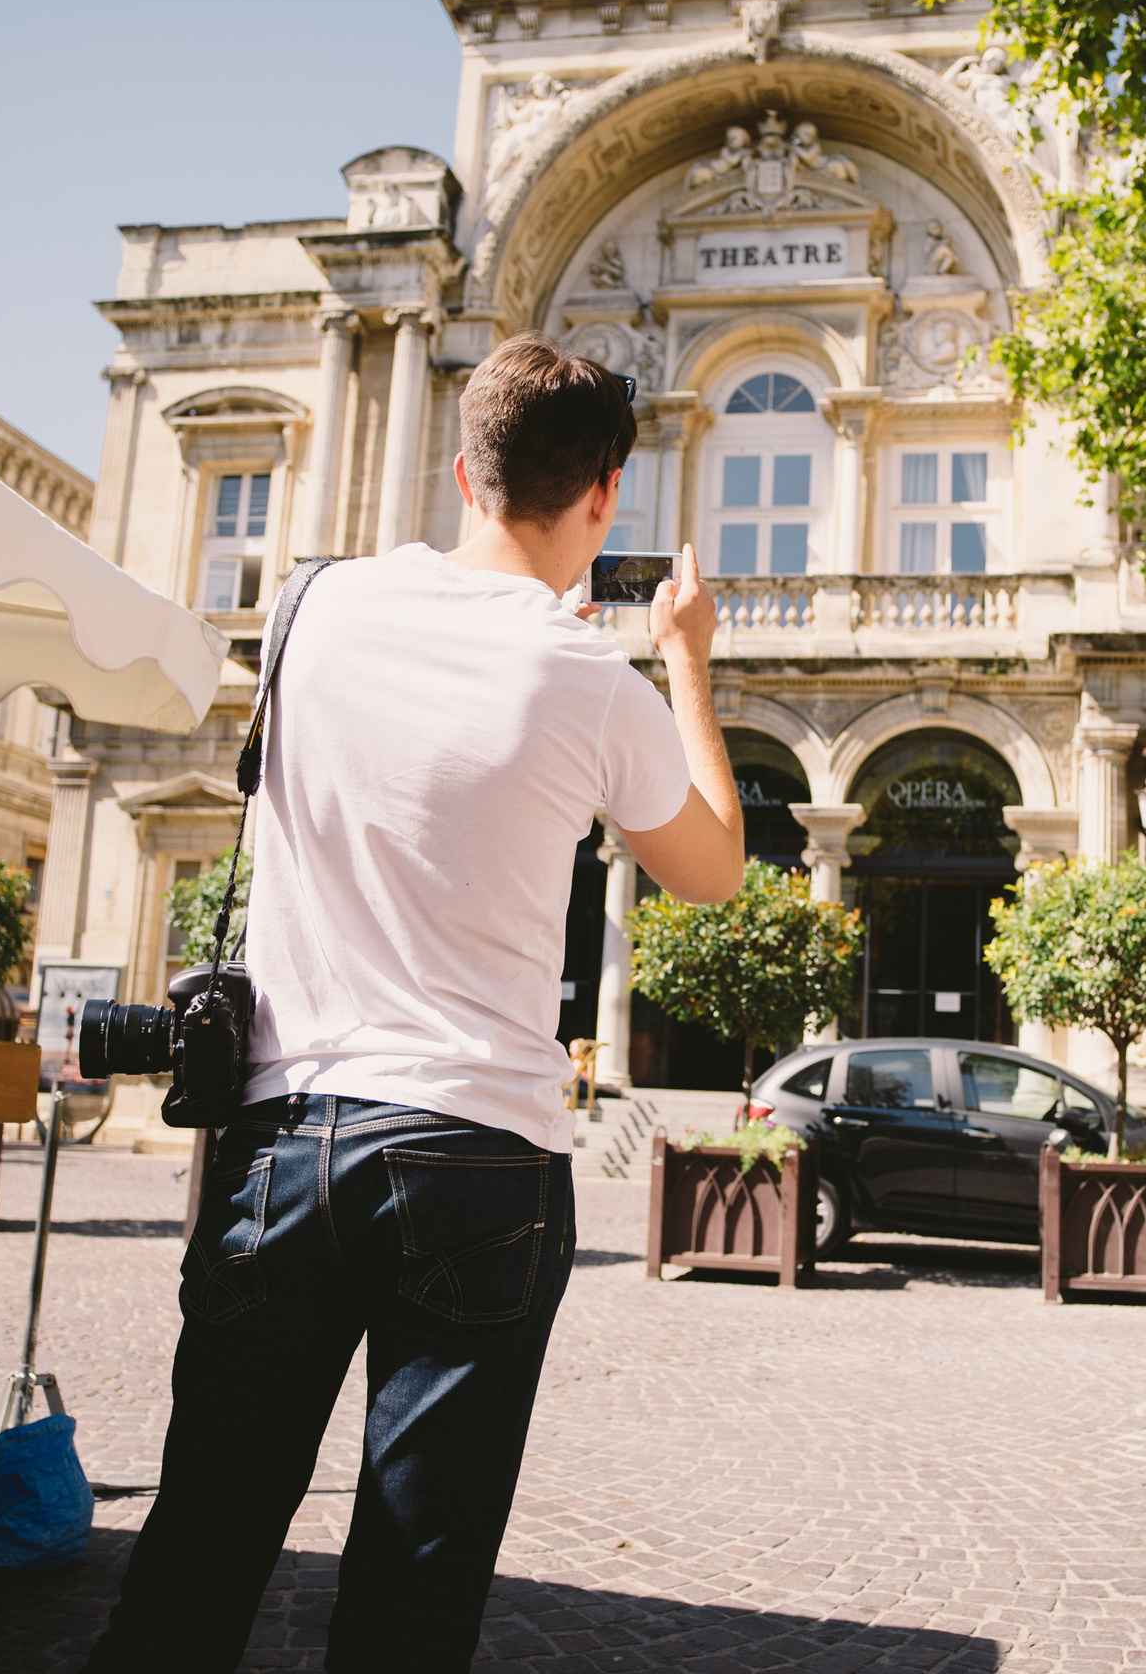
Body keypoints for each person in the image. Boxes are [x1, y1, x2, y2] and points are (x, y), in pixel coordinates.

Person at [84, 335, 745, 1673]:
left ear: (463, 470)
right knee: (410, 1592)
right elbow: (715, 870)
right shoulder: (590, 682)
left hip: (282, 1132)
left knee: (198, 1546)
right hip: (478, 1150)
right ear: (606, 497)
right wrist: (684, 661)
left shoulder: (309, 607)